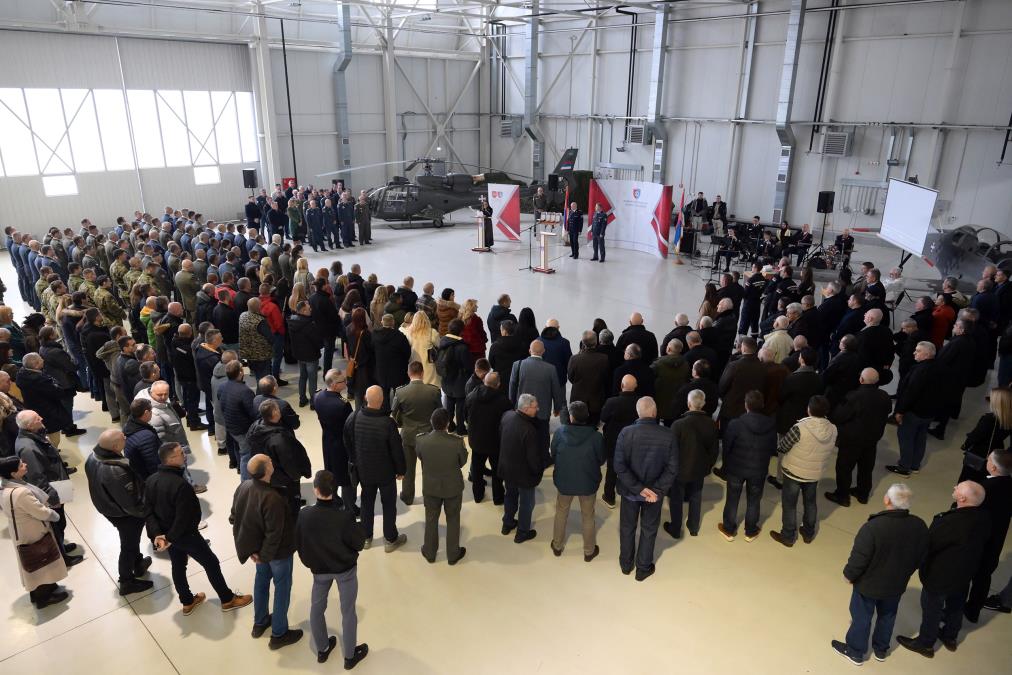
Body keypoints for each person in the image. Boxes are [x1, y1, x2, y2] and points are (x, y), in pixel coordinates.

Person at [145, 442, 252, 616]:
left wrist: (159, 535)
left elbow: (148, 512)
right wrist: (171, 537)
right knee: (211, 563)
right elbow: (185, 517)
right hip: (185, 536)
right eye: (180, 453)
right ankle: (227, 599)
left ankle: (187, 602)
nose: (184, 455)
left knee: (178, 566)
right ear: (171, 459)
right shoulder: (181, 485)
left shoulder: (150, 481)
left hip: (167, 537)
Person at [832, 483, 928, 665]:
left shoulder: (873, 527)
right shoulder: (919, 526)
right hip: (896, 584)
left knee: (862, 617)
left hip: (868, 585)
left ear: (887, 500)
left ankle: (855, 651)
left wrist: (848, 575)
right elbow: (921, 556)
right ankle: (881, 650)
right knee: (888, 615)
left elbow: (859, 558)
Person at [896, 481, 990, 657]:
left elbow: (930, 544)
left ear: (962, 498)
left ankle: (925, 643)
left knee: (932, 609)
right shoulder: (984, 518)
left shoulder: (950, 522)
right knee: (956, 605)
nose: (954, 487)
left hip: (940, 575)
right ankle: (950, 636)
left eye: (958, 488)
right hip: (964, 574)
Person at [296, 470, 369, 667]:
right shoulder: (344, 517)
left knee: (317, 608)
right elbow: (358, 543)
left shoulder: (304, 515)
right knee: (348, 611)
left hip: (319, 570)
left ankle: (322, 649)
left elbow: (299, 543)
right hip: (345, 571)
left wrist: (311, 562)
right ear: (335, 490)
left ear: (315, 490)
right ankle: (350, 655)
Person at [230, 453, 301, 649]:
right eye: (269, 461)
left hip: (258, 552)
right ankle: (279, 633)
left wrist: (254, 551)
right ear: (267, 470)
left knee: (261, 583)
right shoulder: (272, 498)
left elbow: (234, 517)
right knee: (282, 589)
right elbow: (275, 534)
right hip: (276, 554)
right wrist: (264, 557)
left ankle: (260, 622)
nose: (272, 461)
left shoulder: (243, 486)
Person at [614, 396, 678, 581]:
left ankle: (626, 564)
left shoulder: (626, 433)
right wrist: (654, 490)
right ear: (655, 412)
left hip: (630, 493)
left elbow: (619, 466)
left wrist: (638, 489)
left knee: (627, 527)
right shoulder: (668, 435)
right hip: (654, 496)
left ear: (638, 412)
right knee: (649, 529)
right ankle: (643, 568)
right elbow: (673, 468)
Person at [84, 428, 153, 595]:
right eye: (123, 438)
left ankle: (137, 564)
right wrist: (146, 512)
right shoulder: (116, 471)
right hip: (124, 514)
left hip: (106, 506)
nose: (126, 438)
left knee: (132, 541)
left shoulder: (92, 457)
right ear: (115, 447)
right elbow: (130, 503)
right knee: (128, 544)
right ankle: (126, 581)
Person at [0, 454, 70, 609]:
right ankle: (43, 597)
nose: (25, 465)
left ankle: (42, 590)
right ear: (13, 473)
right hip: (32, 529)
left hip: (21, 530)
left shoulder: (5, 487)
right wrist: (54, 515)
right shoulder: (21, 492)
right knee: (40, 560)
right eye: (20, 465)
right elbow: (41, 512)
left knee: (32, 561)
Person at [344, 385, 407, 552]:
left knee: (366, 503)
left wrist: (355, 460)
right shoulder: (388, 423)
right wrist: (401, 470)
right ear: (382, 401)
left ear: (365, 398)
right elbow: (396, 450)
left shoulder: (355, 416)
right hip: (385, 473)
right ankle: (390, 539)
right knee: (388, 505)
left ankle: (366, 537)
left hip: (364, 471)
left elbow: (347, 440)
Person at [15, 410, 83, 565]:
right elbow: (37, 477)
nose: (42, 418)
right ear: (30, 425)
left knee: (60, 523)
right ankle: (62, 557)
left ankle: (61, 547)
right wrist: (52, 498)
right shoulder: (28, 448)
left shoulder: (33, 436)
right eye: (38, 419)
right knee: (55, 525)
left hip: (56, 485)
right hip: (50, 492)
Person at [770, 395, 837, 547]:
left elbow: (782, 447)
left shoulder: (799, 428)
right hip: (814, 474)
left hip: (793, 472)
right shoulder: (833, 429)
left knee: (789, 504)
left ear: (809, 409)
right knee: (811, 503)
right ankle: (808, 533)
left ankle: (788, 536)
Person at [826, 368, 893, 507]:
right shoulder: (884, 396)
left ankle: (842, 495)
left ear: (861, 380)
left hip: (852, 440)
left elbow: (839, 416)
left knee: (844, 467)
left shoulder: (854, 397)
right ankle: (863, 494)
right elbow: (887, 411)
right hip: (872, 439)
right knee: (866, 467)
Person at [718, 390, 776, 542]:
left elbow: (727, 446)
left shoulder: (736, 424)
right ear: (762, 405)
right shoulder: (771, 425)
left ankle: (729, 529)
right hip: (759, 469)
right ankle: (750, 531)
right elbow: (772, 448)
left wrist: (727, 464)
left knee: (732, 498)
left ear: (746, 405)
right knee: (754, 500)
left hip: (736, 469)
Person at [550, 401, 605, 561]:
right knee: (588, 516)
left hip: (564, 482)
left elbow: (553, 454)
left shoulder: (560, 433)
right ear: (586, 416)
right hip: (588, 482)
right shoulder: (596, 437)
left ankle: (557, 546)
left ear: (571, 416)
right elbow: (601, 459)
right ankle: (589, 551)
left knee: (561, 512)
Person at [963, 450, 1012, 622]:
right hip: (996, 541)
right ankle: (973, 611)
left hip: (978, 540)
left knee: (964, 575)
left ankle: (954, 612)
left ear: (992, 466)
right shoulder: (1009, 484)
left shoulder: (985, 488)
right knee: (983, 578)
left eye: (989, 459)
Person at [416, 408, 468, 564]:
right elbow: (462, 462)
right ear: (447, 424)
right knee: (453, 519)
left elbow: (420, 457)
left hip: (431, 487)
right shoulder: (457, 442)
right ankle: (453, 554)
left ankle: (430, 552)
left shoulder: (421, 440)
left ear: (431, 423)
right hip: (452, 488)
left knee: (431, 519)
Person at [665, 388, 718, 539]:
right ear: (704, 404)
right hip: (699, 468)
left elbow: (671, 450)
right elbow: (714, 451)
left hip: (680, 469)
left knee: (676, 498)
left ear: (688, 404)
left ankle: (675, 528)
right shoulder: (711, 424)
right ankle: (693, 527)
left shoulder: (678, 425)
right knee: (696, 496)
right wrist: (708, 466)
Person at [390, 361, 442, 506]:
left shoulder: (400, 392)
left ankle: (407, 497)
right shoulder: (434, 391)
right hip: (429, 436)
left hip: (408, 436)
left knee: (408, 469)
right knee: (430, 470)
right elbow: (441, 413)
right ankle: (430, 497)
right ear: (422, 373)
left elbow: (393, 415)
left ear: (408, 373)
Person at [886, 341, 940, 477]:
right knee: (920, 438)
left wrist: (900, 411)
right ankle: (915, 465)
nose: (914, 352)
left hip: (914, 412)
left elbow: (910, 392)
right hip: (929, 412)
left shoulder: (919, 370)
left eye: (918, 351)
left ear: (927, 354)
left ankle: (904, 467)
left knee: (906, 437)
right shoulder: (939, 367)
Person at [498, 393, 547, 543]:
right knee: (527, 503)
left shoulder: (507, 416)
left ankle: (507, 523)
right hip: (523, 475)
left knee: (510, 496)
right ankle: (522, 532)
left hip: (507, 468)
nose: (537, 409)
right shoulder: (529, 430)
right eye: (534, 407)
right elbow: (533, 459)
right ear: (526, 409)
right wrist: (539, 470)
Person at [465, 371, 513, 504]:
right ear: (498, 384)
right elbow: (508, 421)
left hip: (476, 441)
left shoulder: (471, 396)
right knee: (497, 471)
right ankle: (498, 498)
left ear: (484, 381)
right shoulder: (503, 401)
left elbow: (465, 416)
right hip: (495, 443)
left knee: (477, 469)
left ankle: (478, 495)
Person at [509, 340, 566, 449]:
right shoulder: (551, 368)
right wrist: (557, 408)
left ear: (530, 350)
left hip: (522, 411)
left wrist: (512, 406)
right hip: (542, 411)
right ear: (543, 351)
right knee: (543, 437)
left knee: (523, 437)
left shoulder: (517, 365)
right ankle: (544, 458)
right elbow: (556, 391)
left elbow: (512, 388)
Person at [600, 374, 641, 508]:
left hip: (614, 441)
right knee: (632, 468)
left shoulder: (612, 402)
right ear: (635, 387)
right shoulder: (640, 402)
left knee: (612, 469)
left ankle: (609, 497)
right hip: (634, 442)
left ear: (622, 386)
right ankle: (631, 495)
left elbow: (603, 418)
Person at [436, 319, 471, 434]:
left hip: (446, 380)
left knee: (449, 404)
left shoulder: (442, 342)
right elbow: (468, 366)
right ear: (461, 331)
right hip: (460, 382)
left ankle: (450, 426)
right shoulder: (462, 347)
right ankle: (461, 429)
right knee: (460, 406)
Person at [568, 331, 610, 425]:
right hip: (596, 399)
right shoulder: (604, 358)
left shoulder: (574, 359)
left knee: (576, 428)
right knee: (593, 427)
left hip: (577, 399)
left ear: (583, 342)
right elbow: (605, 378)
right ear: (596, 342)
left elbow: (571, 378)